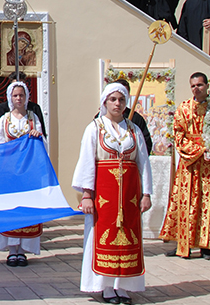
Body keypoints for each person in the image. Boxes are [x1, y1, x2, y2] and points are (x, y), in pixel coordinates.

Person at [73, 82, 152, 303]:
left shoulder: (134, 130)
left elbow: (143, 162)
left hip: (129, 195)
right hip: (104, 195)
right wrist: (87, 194)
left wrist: (147, 193)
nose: (118, 104)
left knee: (128, 238)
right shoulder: (95, 128)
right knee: (102, 237)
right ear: (105, 101)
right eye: (113, 99)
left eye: (121, 100)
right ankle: (105, 286)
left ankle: (124, 285)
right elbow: (87, 162)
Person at [160, 72, 210, 259]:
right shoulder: (184, 108)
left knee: (209, 203)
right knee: (186, 203)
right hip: (190, 164)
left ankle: (206, 246)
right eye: (193, 86)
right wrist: (199, 150)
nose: (196, 88)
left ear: (207, 85)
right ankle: (184, 243)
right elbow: (178, 134)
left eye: (200, 85)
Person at [0, 81, 51, 268]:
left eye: (22, 95)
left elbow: (43, 144)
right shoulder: (5, 119)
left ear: (27, 97)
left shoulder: (33, 118)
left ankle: (24, 249)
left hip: (28, 173)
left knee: (26, 208)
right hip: (10, 173)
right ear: (10, 98)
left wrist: (37, 136)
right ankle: (11, 249)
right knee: (11, 209)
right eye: (15, 95)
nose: (19, 99)